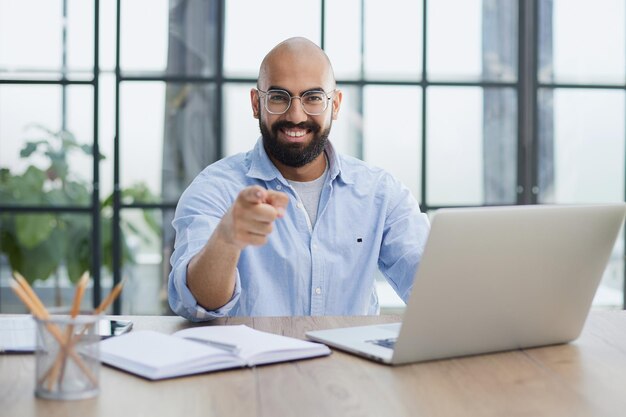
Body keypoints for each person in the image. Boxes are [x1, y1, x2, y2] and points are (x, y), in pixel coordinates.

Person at [168, 37, 430, 321]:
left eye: (313, 98)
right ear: (257, 103)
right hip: (253, 363)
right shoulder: (215, 189)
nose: (296, 115)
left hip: (349, 365)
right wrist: (227, 238)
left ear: (336, 104)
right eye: (279, 97)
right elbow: (199, 304)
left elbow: (432, 287)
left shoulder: (381, 193)